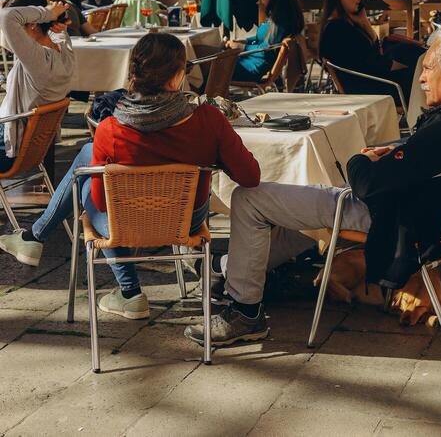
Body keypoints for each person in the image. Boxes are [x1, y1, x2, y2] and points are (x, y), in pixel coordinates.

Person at [184, 21, 441, 349]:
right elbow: (424, 161)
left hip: (396, 221)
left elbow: (369, 185)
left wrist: (360, 158)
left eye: (427, 69)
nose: (422, 78)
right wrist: (399, 152)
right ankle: (233, 271)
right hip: (437, 222)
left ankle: (245, 312)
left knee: (249, 198)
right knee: (297, 200)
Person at [0, 33, 261, 318]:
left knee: (85, 179)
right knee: (88, 164)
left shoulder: (111, 129)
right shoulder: (210, 120)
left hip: (123, 224)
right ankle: (35, 239)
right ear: (175, 79)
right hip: (185, 222)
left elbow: (99, 202)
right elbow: (250, 176)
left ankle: (127, 290)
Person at [319, 0, 423, 104]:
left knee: (414, 64)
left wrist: (364, 22)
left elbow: (371, 53)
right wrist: (395, 66)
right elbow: (370, 62)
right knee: (418, 76)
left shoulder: (342, 24)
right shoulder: (337, 29)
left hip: (368, 81)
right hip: (367, 87)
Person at [0, 0, 74, 165]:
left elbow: (5, 17)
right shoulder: (65, 51)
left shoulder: (38, 60)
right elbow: (60, 36)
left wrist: (47, 13)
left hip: (9, 145)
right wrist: (56, 23)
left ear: (33, 23)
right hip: (35, 147)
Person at [225, 0, 304, 82]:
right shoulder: (278, 15)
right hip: (249, 62)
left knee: (207, 68)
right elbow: (261, 39)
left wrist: (241, 47)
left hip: (253, 69)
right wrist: (241, 41)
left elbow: (267, 49)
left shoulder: (280, 20)